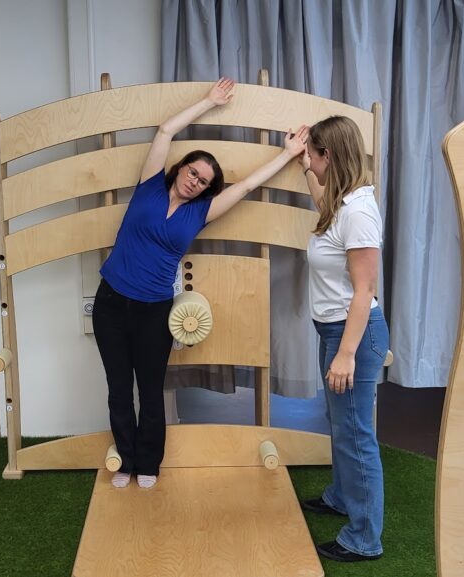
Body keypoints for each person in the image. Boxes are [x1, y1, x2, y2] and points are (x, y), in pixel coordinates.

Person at [94, 78, 307, 489]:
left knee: (150, 392)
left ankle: (149, 465)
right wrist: (208, 102)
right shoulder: (150, 186)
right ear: (181, 168)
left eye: (204, 181)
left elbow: (246, 186)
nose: (195, 181)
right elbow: (165, 131)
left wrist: (287, 154)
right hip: (111, 303)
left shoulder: (201, 213)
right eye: (193, 172)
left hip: (153, 310)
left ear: (207, 189)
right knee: (119, 389)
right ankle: (126, 460)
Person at [296, 116, 388, 562]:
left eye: (313, 155)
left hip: (353, 335)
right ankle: (340, 497)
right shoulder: (341, 202)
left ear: (328, 156)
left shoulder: (358, 213)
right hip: (334, 331)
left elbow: (364, 291)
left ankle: (364, 538)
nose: (310, 162)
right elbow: (323, 206)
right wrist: (303, 167)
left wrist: (346, 354)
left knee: (356, 436)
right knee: (342, 425)